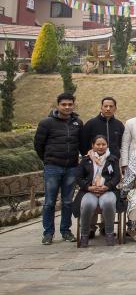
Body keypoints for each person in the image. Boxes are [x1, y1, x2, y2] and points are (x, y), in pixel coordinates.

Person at [34, 92, 84, 245]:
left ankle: (65, 230)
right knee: (49, 201)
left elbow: (81, 144)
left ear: (73, 105)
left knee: (67, 201)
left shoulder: (77, 123)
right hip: (53, 167)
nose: (67, 107)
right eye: (64, 104)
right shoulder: (47, 123)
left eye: (70, 104)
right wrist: (48, 160)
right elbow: (38, 145)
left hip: (71, 167)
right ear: (58, 105)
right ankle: (48, 233)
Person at [73, 135, 121, 247]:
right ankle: (84, 234)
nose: (100, 147)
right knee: (88, 204)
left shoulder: (112, 159)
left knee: (108, 203)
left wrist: (107, 186)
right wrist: (88, 187)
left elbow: (116, 177)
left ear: (107, 145)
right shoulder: (86, 160)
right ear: (93, 145)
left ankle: (109, 232)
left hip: (107, 190)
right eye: (98, 144)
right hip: (89, 191)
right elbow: (78, 177)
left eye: (103, 144)